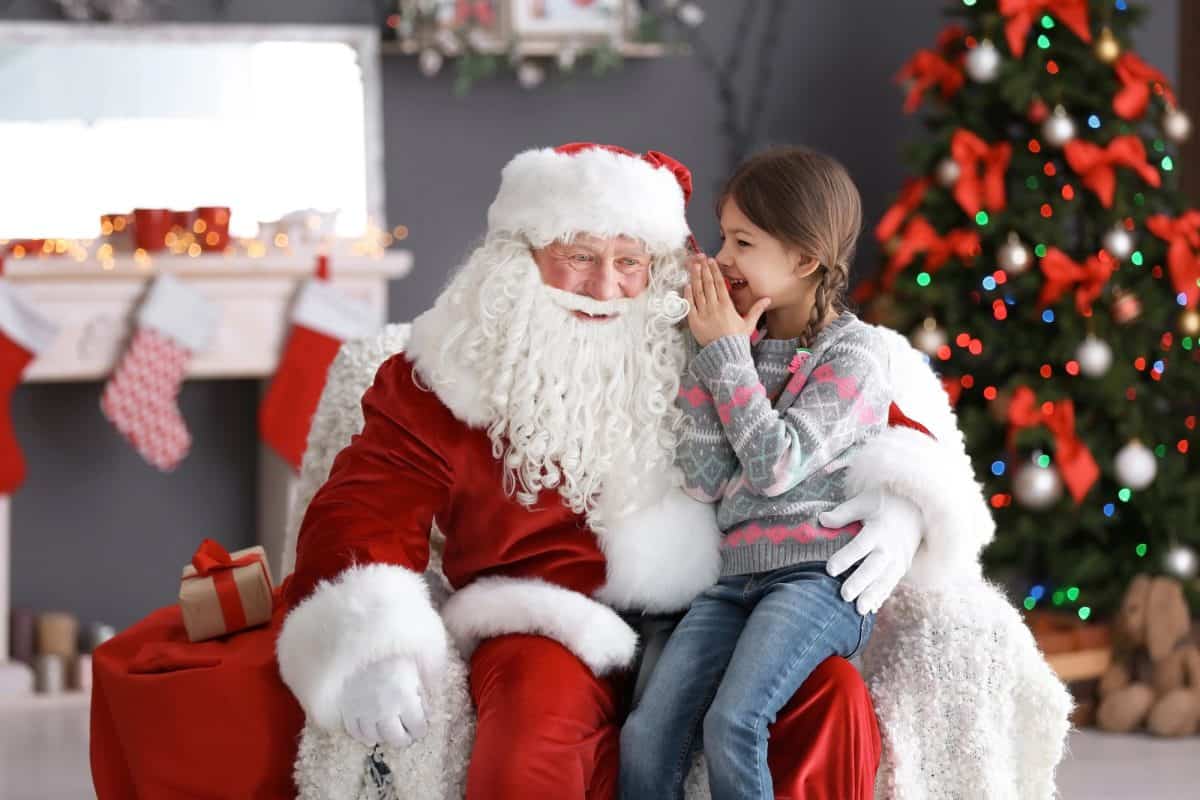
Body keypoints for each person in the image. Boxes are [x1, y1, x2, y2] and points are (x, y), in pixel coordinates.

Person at [277, 142, 959, 799]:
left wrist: (902, 503)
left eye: (629, 261)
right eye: (578, 255)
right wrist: (370, 643)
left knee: (830, 698)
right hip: (550, 616)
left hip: (716, 602)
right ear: (521, 258)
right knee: (530, 742)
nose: (605, 286)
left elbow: (866, 412)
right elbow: (364, 504)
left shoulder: (704, 324)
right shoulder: (450, 367)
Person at [621, 146, 889, 800]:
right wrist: (711, 354)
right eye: (723, 236)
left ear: (803, 260)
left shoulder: (854, 354)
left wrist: (724, 355)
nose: (723, 257)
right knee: (645, 733)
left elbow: (776, 467)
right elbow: (705, 478)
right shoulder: (743, 340)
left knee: (735, 721)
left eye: (743, 240)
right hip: (737, 579)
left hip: (816, 579)